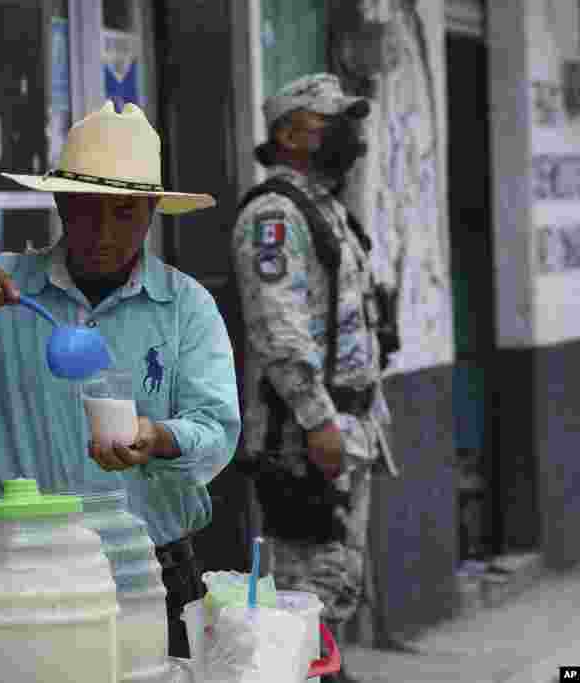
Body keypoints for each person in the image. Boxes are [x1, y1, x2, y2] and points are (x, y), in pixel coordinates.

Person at [0, 101, 242, 659]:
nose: (104, 230)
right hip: (21, 571)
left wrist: (158, 437)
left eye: (124, 212)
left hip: (149, 566)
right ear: (59, 203)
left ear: (152, 210)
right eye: (86, 209)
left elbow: (216, 431)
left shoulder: (184, 307)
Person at [230, 73, 400, 683]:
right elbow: (279, 328)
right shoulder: (275, 214)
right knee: (308, 593)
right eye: (329, 120)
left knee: (337, 584)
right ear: (287, 134)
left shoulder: (327, 208)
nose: (345, 133)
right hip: (304, 438)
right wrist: (318, 418)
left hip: (347, 430)